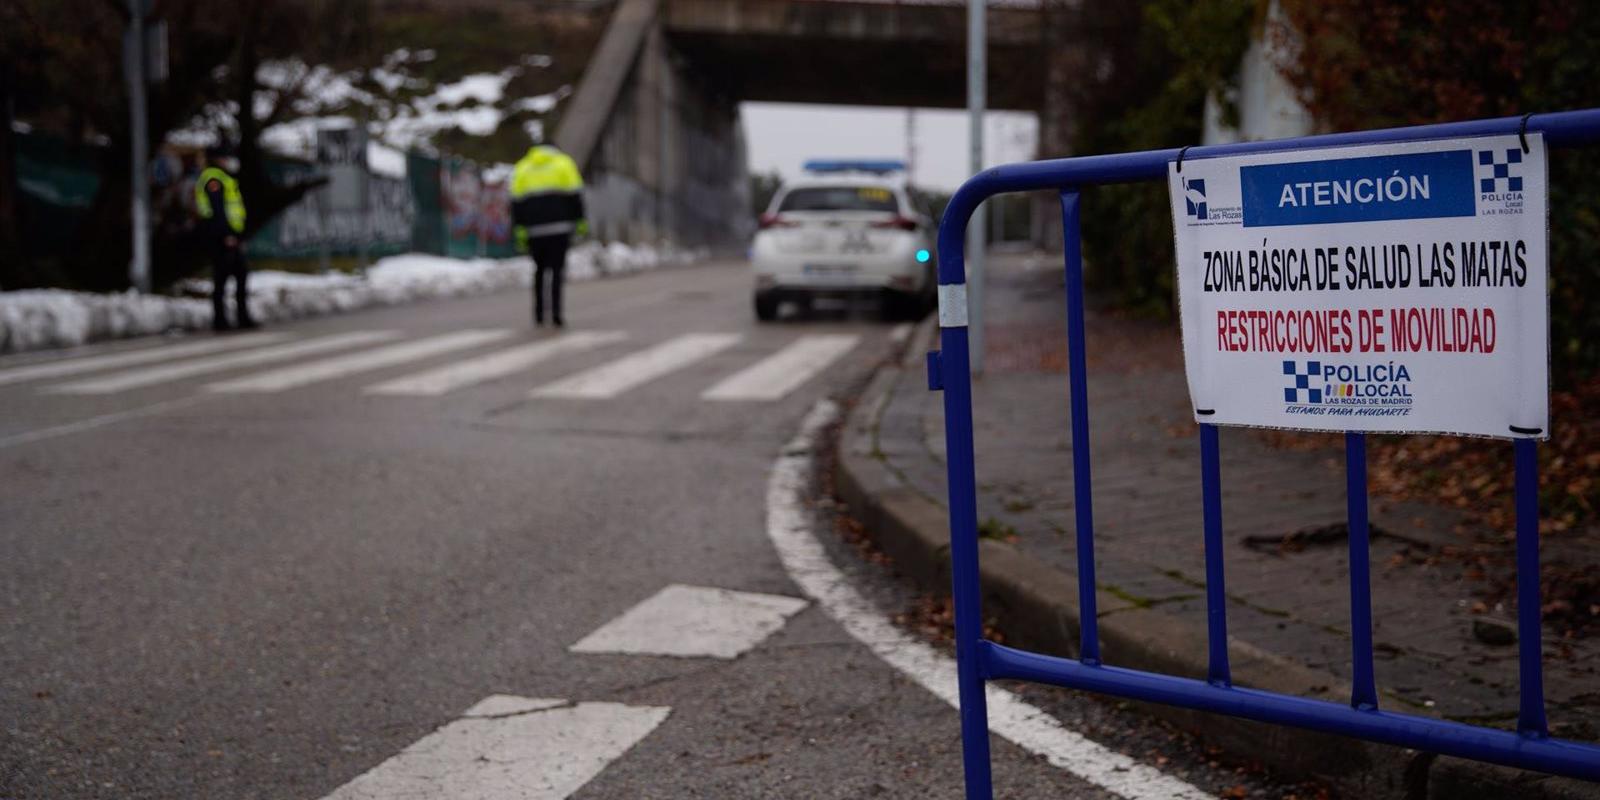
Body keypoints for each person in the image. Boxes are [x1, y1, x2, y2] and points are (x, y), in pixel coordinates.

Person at [510, 143, 586, 327]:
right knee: (557, 271)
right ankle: (557, 314)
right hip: (560, 228)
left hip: (534, 231)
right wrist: (580, 221)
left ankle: (538, 313)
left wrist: (519, 228)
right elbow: (575, 196)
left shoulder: (523, 167)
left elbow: (516, 203)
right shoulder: (564, 163)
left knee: (539, 271)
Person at [193, 150, 255, 331]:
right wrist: (227, 235)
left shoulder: (222, 177)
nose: (228, 160)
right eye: (225, 156)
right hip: (221, 239)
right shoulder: (213, 179)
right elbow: (217, 211)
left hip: (231, 238)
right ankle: (220, 320)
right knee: (221, 280)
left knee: (240, 277)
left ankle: (242, 317)